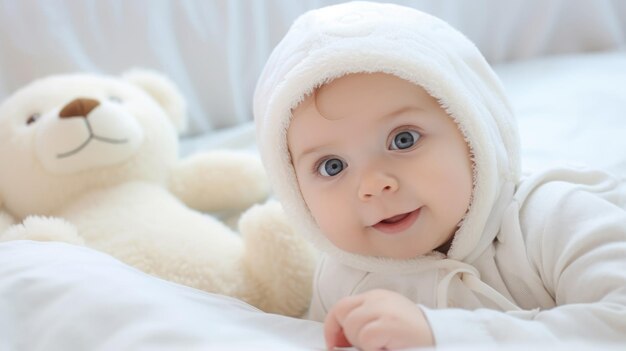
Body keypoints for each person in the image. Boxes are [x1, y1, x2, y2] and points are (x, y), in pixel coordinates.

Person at [253, 2, 626, 350]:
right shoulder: (343, 283)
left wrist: (440, 334)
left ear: (474, 132)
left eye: (403, 140)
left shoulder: (556, 216)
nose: (372, 185)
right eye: (331, 166)